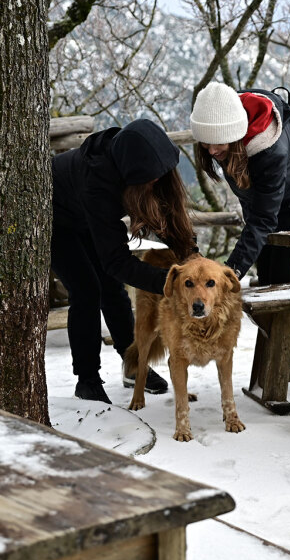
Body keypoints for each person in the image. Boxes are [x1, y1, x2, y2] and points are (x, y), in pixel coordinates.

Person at [189, 82, 290, 391]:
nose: (212, 151)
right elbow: (259, 211)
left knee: (285, 283)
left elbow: (263, 220)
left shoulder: (269, 148)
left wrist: (227, 275)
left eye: (218, 143)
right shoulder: (224, 118)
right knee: (271, 281)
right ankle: (279, 366)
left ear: (236, 133)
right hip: (264, 204)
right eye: (205, 143)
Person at [51, 119, 197, 404]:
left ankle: (132, 364)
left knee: (113, 289)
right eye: (152, 179)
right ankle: (88, 380)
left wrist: (193, 259)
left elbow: (172, 223)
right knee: (87, 290)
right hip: (57, 219)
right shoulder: (98, 183)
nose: (159, 181)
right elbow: (116, 261)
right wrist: (170, 282)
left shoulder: (141, 161)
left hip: (87, 217)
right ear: (134, 177)